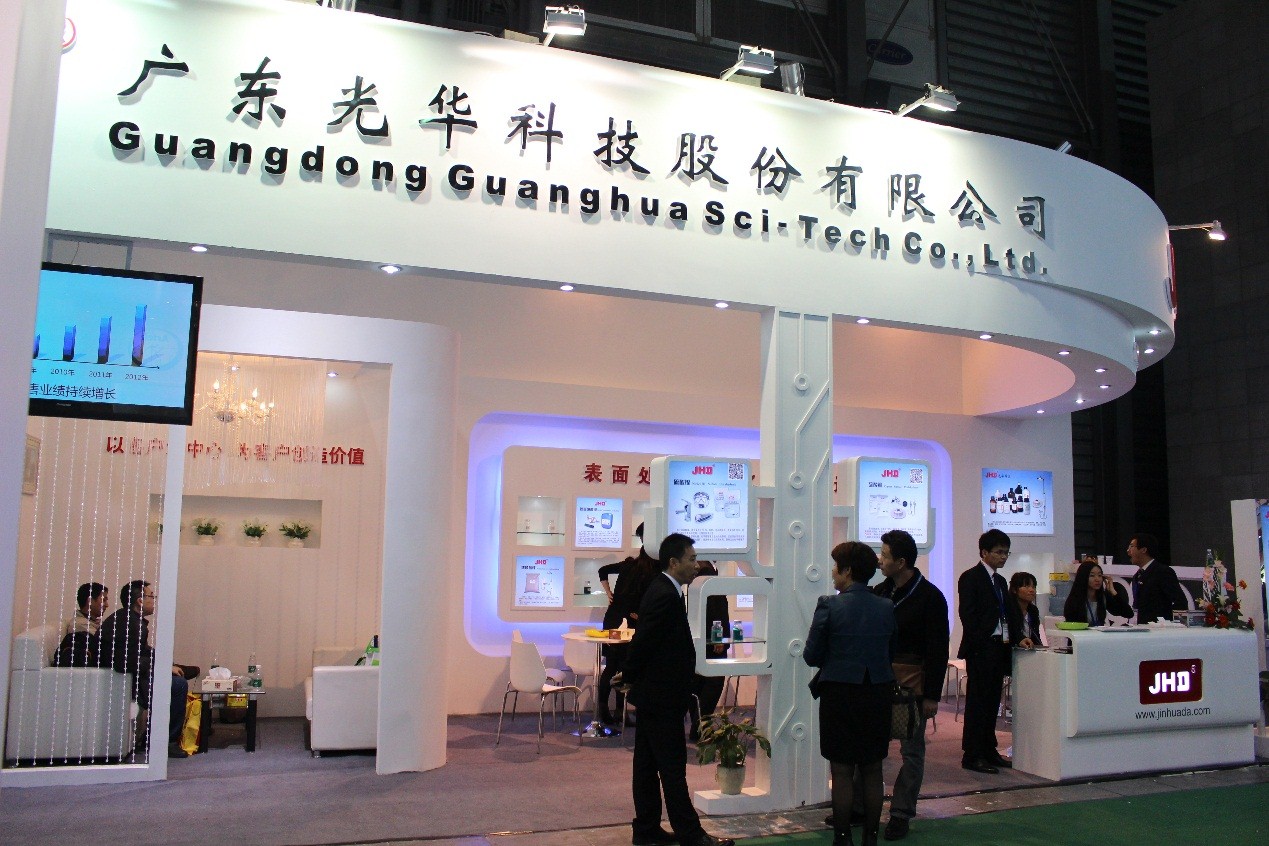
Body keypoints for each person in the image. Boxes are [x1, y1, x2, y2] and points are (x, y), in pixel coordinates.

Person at [622, 533, 734, 846]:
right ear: (674, 562)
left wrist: (631, 676)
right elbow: (644, 641)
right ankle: (691, 835)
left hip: (655, 696)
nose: (696, 565)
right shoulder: (665, 594)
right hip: (662, 697)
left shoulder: (664, 589)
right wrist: (628, 674)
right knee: (672, 768)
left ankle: (646, 830)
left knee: (646, 767)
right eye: (691, 559)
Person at [805, 541, 895, 846]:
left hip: (839, 694)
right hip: (878, 693)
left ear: (847, 571)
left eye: (835, 567)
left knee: (841, 771)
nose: (833, 572)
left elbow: (811, 655)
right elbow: (889, 652)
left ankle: (842, 838)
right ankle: (871, 837)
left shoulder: (829, 605)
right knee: (873, 769)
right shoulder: (886, 606)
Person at [872, 529, 948, 842]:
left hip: (913, 686)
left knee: (912, 752)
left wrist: (932, 696)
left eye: (884, 555)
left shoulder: (930, 597)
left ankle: (901, 813)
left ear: (901, 562)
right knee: (871, 749)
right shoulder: (880, 591)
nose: (879, 560)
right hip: (877, 682)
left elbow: (938, 649)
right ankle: (865, 807)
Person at [96, 580, 191, 759]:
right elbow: (127, 662)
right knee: (178, 685)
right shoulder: (130, 625)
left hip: (129, 676)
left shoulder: (129, 619)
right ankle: (167, 742)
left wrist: (166, 663)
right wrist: (162, 668)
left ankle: (153, 737)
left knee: (179, 674)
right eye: (151, 596)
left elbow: (142, 651)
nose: (154, 600)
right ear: (140, 600)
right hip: (124, 681)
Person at [956, 529, 1013, 774]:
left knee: (992, 702)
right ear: (984, 552)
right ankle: (972, 754)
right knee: (977, 702)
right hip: (981, 648)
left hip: (999, 647)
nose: (1003, 557)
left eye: (1006, 552)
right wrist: (981, 641)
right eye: (999, 552)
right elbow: (967, 615)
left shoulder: (1000, 581)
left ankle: (989, 750)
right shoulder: (970, 577)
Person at [597, 522, 661, 725]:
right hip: (628, 622)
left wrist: (609, 593)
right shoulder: (652, 570)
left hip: (614, 620)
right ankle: (615, 711)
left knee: (614, 666)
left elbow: (602, 570)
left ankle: (611, 711)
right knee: (620, 666)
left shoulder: (629, 565)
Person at [687, 561, 729, 743]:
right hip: (713, 642)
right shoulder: (708, 575)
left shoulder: (697, 579)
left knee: (697, 684)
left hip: (699, 641)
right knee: (712, 684)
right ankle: (700, 728)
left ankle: (698, 727)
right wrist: (719, 639)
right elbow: (717, 610)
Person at [1127, 533, 1187, 623]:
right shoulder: (1137, 576)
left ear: (1143, 550)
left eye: (1131, 546)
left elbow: (1180, 602)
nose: (1128, 551)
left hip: (1160, 628)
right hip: (1142, 627)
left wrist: (1172, 624)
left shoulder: (1163, 572)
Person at [52, 581, 109, 667]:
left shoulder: (91, 622)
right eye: (103, 600)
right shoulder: (80, 625)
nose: (107, 605)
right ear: (90, 601)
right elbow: (104, 646)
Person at [1063, 557, 1133, 625]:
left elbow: (1129, 613)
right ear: (1083, 577)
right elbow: (1071, 625)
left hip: (1098, 633)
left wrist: (1113, 592)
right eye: (1092, 575)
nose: (1097, 579)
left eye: (1099, 575)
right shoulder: (1074, 599)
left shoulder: (1103, 597)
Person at [1006, 572, 1045, 649]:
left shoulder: (1033, 610)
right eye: (1026, 586)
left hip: (1028, 651)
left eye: (1033, 587)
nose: (1031, 590)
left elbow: (1036, 637)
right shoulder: (1008, 609)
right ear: (1014, 590)